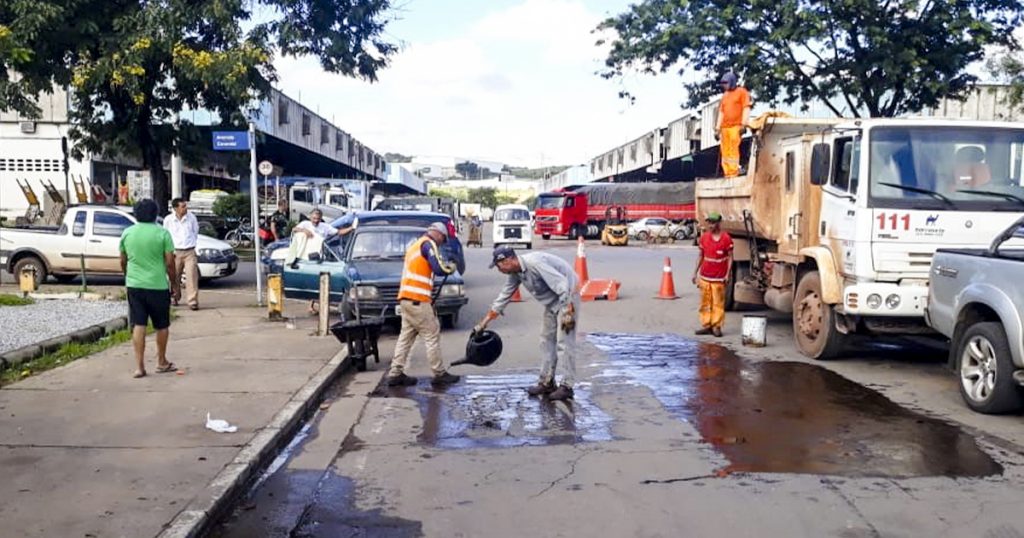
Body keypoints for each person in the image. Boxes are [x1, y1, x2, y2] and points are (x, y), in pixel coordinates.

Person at [476, 246, 580, 401]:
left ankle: (567, 386)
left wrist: (567, 311)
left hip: (568, 299)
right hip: (553, 302)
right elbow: (504, 295)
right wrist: (484, 322)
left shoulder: (535, 264)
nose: (499, 270)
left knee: (564, 341)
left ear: (508, 260)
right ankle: (547, 382)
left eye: (499, 266)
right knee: (546, 340)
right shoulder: (516, 272)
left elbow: (562, 284)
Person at [387, 222, 461, 387]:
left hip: (406, 299)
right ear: (438, 233)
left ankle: (395, 373)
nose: (442, 242)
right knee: (431, 334)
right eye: (443, 238)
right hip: (418, 299)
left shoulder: (415, 246)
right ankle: (439, 373)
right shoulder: (428, 245)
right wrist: (450, 268)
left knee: (406, 337)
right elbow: (438, 268)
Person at [120, 199, 179, 378]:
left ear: (136, 214)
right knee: (162, 325)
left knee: (139, 324)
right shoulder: (163, 234)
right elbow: (170, 263)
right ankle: (161, 362)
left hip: (134, 285)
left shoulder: (127, 233)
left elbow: (123, 260)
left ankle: (139, 367)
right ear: (155, 214)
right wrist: (174, 284)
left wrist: (128, 275)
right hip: (157, 285)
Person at [692, 212, 734, 337]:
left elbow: (731, 257)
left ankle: (716, 326)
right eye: (709, 222)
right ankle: (707, 325)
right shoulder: (704, 237)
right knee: (705, 303)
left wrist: (727, 274)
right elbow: (701, 256)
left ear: (719, 223)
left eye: (713, 222)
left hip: (719, 278)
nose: (710, 225)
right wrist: (695, 273)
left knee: (718, 303)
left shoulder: (726, 239)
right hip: (705, 276)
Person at [163, 198, 200, 310]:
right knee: (174, 276)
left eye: (185, 206)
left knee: (191, 276)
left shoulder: (191, 217)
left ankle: (192, 301)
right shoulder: (169, 220)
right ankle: (174, 296)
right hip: (175, 251)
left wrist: (192, 244)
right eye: (182, 206)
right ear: (175, 208)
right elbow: (166, 235)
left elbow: (195, 231)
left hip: (189, 251)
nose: (185, 208)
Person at [716, 72, 752, 177]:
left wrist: (744, 125)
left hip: (736, 126)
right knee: (725, 151)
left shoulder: (742, 92)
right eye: (723, 83)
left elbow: (746, 108)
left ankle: (733, 172)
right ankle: (727, 172)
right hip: (725, 128)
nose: (724, 85)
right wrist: (717, 129)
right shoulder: (725, 96)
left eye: (725, 83)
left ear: (732, 82)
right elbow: (721, 113)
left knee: (733, 149)